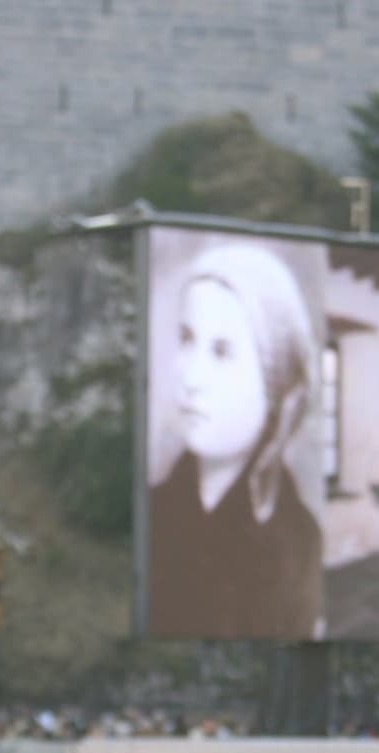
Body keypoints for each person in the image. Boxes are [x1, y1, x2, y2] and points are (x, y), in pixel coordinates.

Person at [148, 241, 323, 640]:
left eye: (222, 352)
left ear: (275, 384)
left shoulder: (299, 539)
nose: (189, 377)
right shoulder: (151, 511)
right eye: (187, 339)